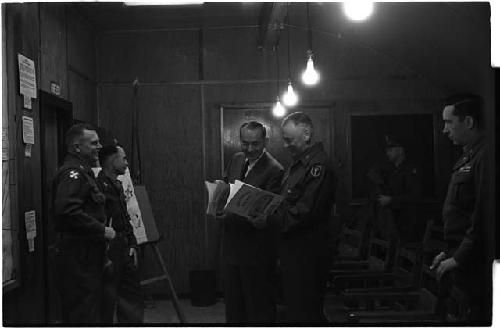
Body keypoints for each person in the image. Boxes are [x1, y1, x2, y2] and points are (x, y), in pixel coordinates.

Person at [260, 112, 336, 323]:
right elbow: (287, 202)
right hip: (294, 250)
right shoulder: (299, 163)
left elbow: (305, 211)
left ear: (307, 134)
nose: (286, 145)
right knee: (295, 310)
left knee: (306, 312)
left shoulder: (317, 165)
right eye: (285, 139)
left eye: (289, 140)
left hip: (307, 253)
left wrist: (269, 219)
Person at [430, 94, 490, 324]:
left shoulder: (484, 155)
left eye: (449, 122)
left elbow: (482, 214)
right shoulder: (468, 154)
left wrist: (459, 257)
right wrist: (450, 250)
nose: (444, 130)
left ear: (469, 122)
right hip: (460, 253)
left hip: (474, 260)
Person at [221, 121, 284, 323]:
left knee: (258, 309)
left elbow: (273, 213)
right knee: (234, 307)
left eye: (255, 144)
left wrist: (261, 219)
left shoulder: (275, 169)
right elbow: (226, 188)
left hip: (257, 251)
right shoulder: (237, 159)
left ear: (265, 141)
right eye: (244, 143)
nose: (249, 149)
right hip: (232, 245)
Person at [52, 123, 116, 324]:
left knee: (93, 310)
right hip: (77, 257)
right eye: (94, 143)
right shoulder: (73, 173)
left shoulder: (85, 172)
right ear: (77, 147)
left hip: (88, 256)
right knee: (82, 314)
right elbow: (67, 210)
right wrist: (101, 230)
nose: (99, 147)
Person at [97, 144, 144, 323]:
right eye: (123, 158)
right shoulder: (99, 186)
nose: (127, 163)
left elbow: (125, 217)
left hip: (125, 250)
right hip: (110, 253)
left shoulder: (117, 185)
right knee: (107, 305)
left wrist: (132, 243)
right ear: (111, 160)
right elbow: (100, 224)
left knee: (132, 302)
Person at [369, 135, 421, 244]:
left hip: (405, 222)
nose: (388, 153)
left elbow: (414, 196)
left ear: (400, 151)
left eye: (390, 150)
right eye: (387, 150)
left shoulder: (409, 170)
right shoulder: (393, 170)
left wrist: (391, 200)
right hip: (393, 222)